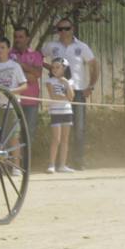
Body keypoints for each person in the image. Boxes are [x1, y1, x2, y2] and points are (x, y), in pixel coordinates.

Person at [42, 18, 98, 170]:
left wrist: (91, 86)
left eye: (66, 28)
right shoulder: (51, 46)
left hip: (78, 90)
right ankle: (57, 163)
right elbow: (38, 58)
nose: (63, 32)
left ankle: (78, 161)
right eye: (60, 29)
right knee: (58, 129)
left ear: (72, 28)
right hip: (58, 91)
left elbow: (94, 64)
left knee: (79, 127)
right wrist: (52, 70)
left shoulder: (82, 46)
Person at [41, 57, 75, 173]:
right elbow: (53, 96)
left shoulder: (69, 81)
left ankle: (62, 165)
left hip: (67, 112)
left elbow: (71, 97)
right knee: (56, 139)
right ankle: (51, 164)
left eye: (58, 67)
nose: (54, 70)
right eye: (53, 67)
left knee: (65, 139)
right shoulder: (50, 81)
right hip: (55, 111)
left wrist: (66, 83)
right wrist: (65, 97)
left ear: (64, 68)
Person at [10, 27, 44, 139]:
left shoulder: (35, 55)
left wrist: (21, 65)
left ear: (27, 39)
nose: (17, 39)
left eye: (21, 37)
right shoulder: (9, 54)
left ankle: (27, 157)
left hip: (31, 100)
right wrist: (27, 75)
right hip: (13, 101)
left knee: (29, 134)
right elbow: (9, 75)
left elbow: (38, 74)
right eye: (15, 37)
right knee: (13, 134)